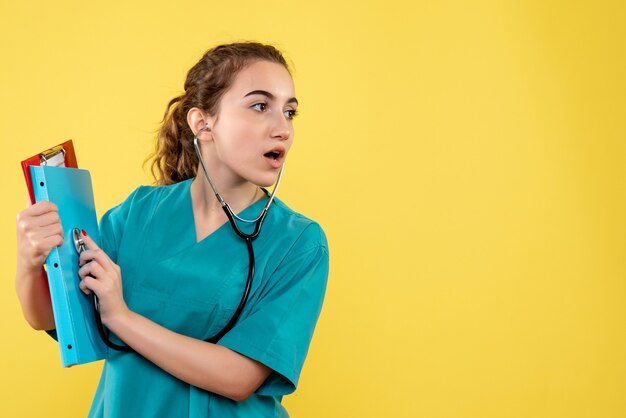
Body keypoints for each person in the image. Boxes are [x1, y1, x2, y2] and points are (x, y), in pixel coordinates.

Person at [15, 42, 329, 418]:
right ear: (203, 123)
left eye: (290, 112)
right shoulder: (137, 213)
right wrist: (30, 260)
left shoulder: (299, 243)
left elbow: (240, 378)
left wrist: (121, 318)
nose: (283, 129)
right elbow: (54, 319)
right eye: (260, 106)